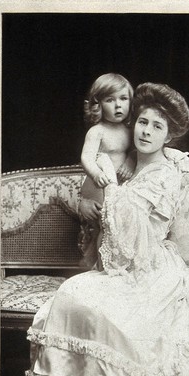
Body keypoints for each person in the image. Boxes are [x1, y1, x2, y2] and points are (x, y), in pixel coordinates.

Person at [25, 82, 189, 376]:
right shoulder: (130, 161)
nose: (146, 131)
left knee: (88, 304)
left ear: (168, 136)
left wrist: (108, 181)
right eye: (143, 122)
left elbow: (132, 239)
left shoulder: (164, 174)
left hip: (149, 268)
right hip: (126, 265)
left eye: (156, 126)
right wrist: (94, 192)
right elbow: (94, 199)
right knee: (72, 296)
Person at [79, 73, 136, 267]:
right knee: (105, 225)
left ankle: (112, 265)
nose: (118, 105)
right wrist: (96, 173)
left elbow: (137, 152)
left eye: (123, 98)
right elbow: (86, 157)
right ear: (98, 105)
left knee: (118, 227)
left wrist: (130, 159)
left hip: (119, 186)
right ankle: (98, 267)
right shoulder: (97, 131)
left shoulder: (130, 130)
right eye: (110, 100)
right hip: (99, 184)